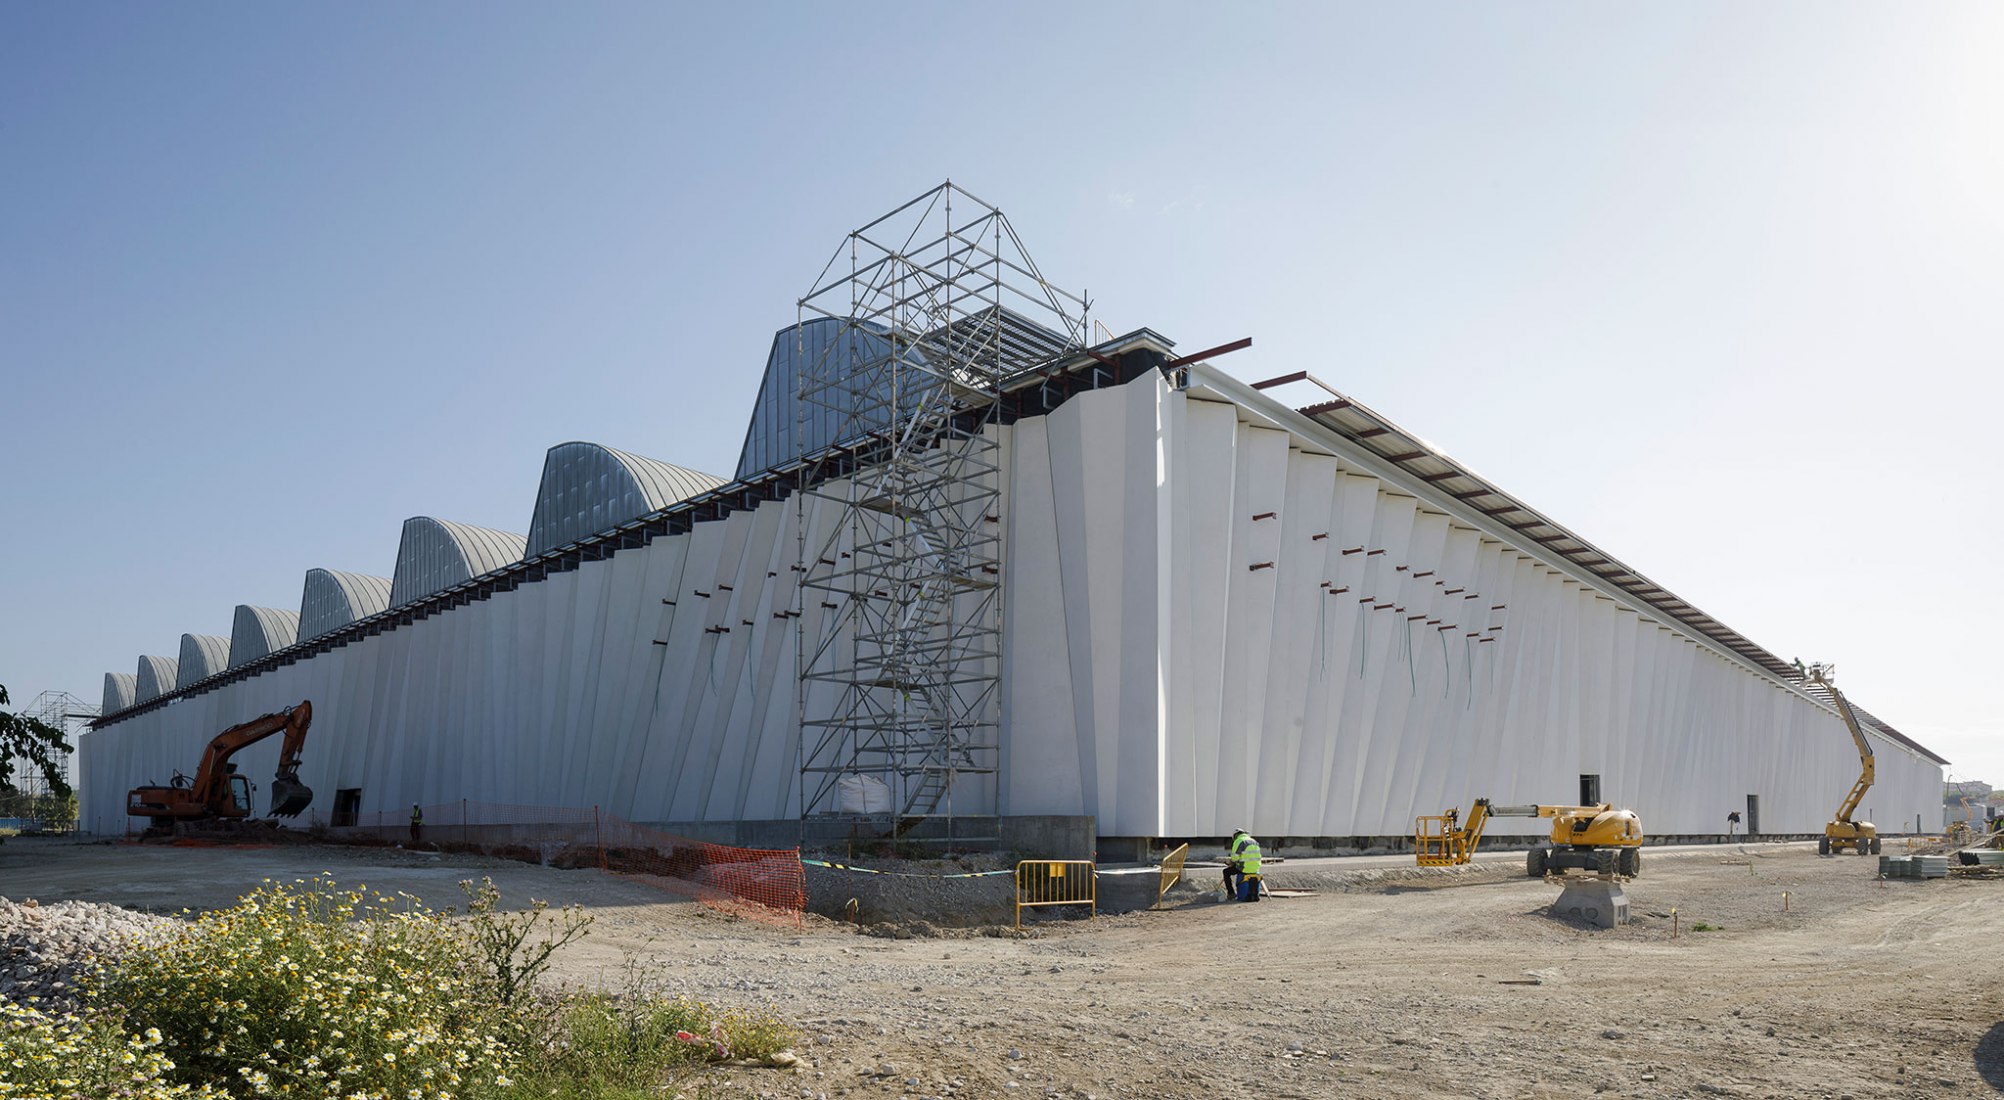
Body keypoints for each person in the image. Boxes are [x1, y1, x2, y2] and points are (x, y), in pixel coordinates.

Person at [1222, 829, 1263, 902]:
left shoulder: (1239, 841)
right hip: (1256, 869)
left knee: (1226, 872)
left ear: (1235, 835)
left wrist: (1231, 863)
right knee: (1232, 870)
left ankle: (1231, 893)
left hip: (1244, 868)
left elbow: (1235, 858)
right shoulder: (1254, 841)